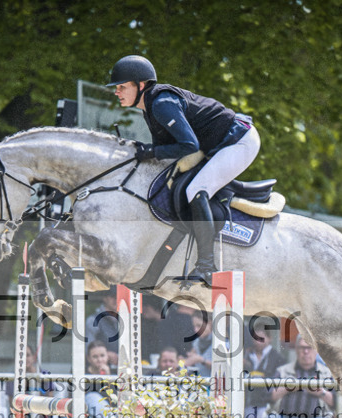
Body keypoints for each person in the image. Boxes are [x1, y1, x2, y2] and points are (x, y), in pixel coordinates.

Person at [108, 55, 260, 285]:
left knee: (196, 189)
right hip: (217, 144)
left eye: (122, 86)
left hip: (238, 141)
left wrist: (151, 152)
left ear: (141, 85)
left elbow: (189, 146)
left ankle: (207, 266)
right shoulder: (150, 107)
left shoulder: (161, 105)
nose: (116, 92)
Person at [86, 288, 120, 368]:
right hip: (98, 371)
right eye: (112, 296)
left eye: (118, 297)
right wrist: (105, 355)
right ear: (104, 298)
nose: (115, 299)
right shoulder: (93, 320)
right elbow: (88, 348)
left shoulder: (124, 319)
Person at [182, 309, 212, 376]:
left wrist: (201, 360)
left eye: (199, 325)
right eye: (194, 326)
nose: (195, 330)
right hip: (202, 383)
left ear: (209, 323)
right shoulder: (196, 342)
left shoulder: (220, 342)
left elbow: (223, 367)